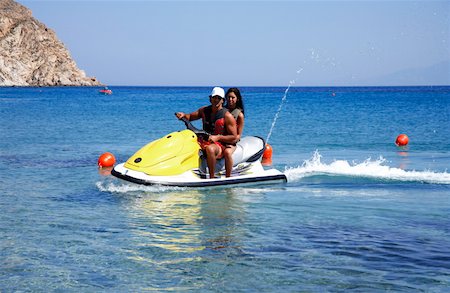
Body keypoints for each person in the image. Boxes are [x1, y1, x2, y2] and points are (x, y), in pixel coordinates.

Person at [176, 87, 238, 179]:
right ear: (210, 98)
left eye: (219, 98)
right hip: (204, 141)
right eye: (214, 97)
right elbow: (190, 116)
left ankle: (211, 178)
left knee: (210, 149)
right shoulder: (204, 110)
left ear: (222, 101)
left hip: (220, 145)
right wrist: (184, 115)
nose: (216, 100)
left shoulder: (227, 116)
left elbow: (234, 137)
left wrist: (218, 137)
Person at [223, 88, 245, 177]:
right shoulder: (222, 110)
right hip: (220, 138)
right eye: (228, 97)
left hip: (232, 142)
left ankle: (228, 176)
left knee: (227, 152)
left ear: (237, 99)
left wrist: (230, 142)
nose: (230, 100)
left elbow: (238, 135)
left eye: (233, 97)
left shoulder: (239, 115)